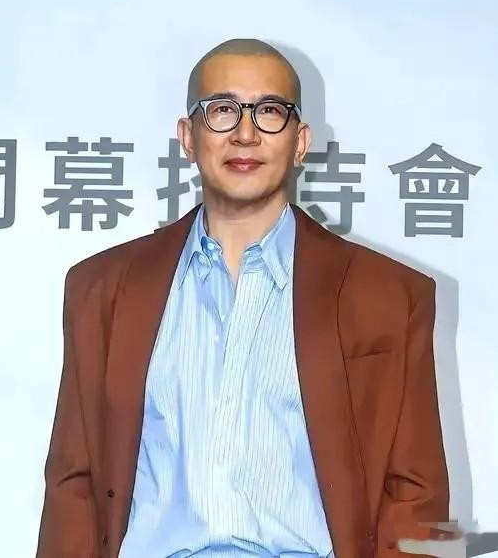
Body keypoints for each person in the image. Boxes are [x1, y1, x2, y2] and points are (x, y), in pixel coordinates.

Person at [36, 38, 449, 558]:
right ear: (188, 137)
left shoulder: (388, 295)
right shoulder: (102, 289)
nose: (246, 133)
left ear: (300, 141)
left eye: (269, 111)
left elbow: (416, 494)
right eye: (223, 110)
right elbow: (73, 486)